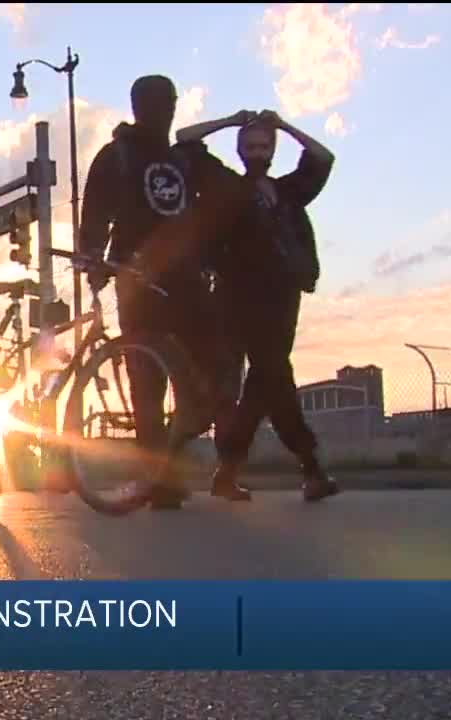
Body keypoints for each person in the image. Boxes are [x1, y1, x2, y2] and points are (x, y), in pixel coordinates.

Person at [76, 74, 228, 510]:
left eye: (169, 102)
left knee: (212, 370)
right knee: (148, 382)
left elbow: (215, 204)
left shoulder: (183, 158)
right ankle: (159, 478)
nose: (164, 109)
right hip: (136, 278)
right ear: (137, 106)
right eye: (155, 102)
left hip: (187, 279)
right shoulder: (116, 156)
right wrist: (93, 261)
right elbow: (96, 213)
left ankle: (175, 454)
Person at [175, 109, 340, 502]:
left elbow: (323, 158)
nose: (257, 151)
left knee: (263, 385)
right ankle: (311, 468)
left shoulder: (287, 192)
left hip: (283, 299)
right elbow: (184, 138)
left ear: (273, 149)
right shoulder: (226, 185)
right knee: (272, 377)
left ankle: (226, 472)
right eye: (250, 145)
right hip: (237, 299)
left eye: (264, 145)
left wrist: (283, 125)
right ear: (239, 150)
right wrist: (230, 120)